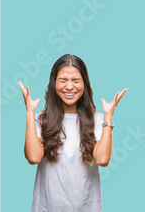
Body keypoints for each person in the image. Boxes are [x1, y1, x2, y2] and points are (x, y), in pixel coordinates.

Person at [19, 54, 125, 212]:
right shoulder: (40, 120)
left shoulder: (98, 120)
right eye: (63, 80)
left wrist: (108, 116)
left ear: (85, 84)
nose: (69, 87)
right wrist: (29, 113)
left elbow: (102, 159)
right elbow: (33, 158)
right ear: (54, 83)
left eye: (75, 80)